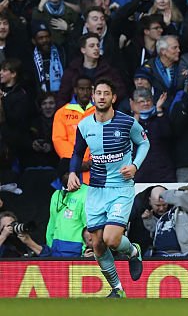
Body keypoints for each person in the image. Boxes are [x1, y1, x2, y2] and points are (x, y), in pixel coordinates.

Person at [66, 79, 149, 297]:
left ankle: (133, 251)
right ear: (93, 97)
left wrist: (134, 166)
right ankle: (117, 289)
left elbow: (144, 142)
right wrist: (73, 172)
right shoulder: (84, 125)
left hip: (121, 187)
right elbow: (77, 152)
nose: (101, 97)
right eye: (98, 93)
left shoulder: (127, 122)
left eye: (106, 93)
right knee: (97, 243)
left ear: (113, 98)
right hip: (96, 189)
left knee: (111, 239)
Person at [142, 185, 188, 258]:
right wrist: (149, 219)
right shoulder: (171, 213)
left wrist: (162, 193)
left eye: (186, 193)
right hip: (161, 254)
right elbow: (162, 229)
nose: (181, 195)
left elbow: (182, 198)